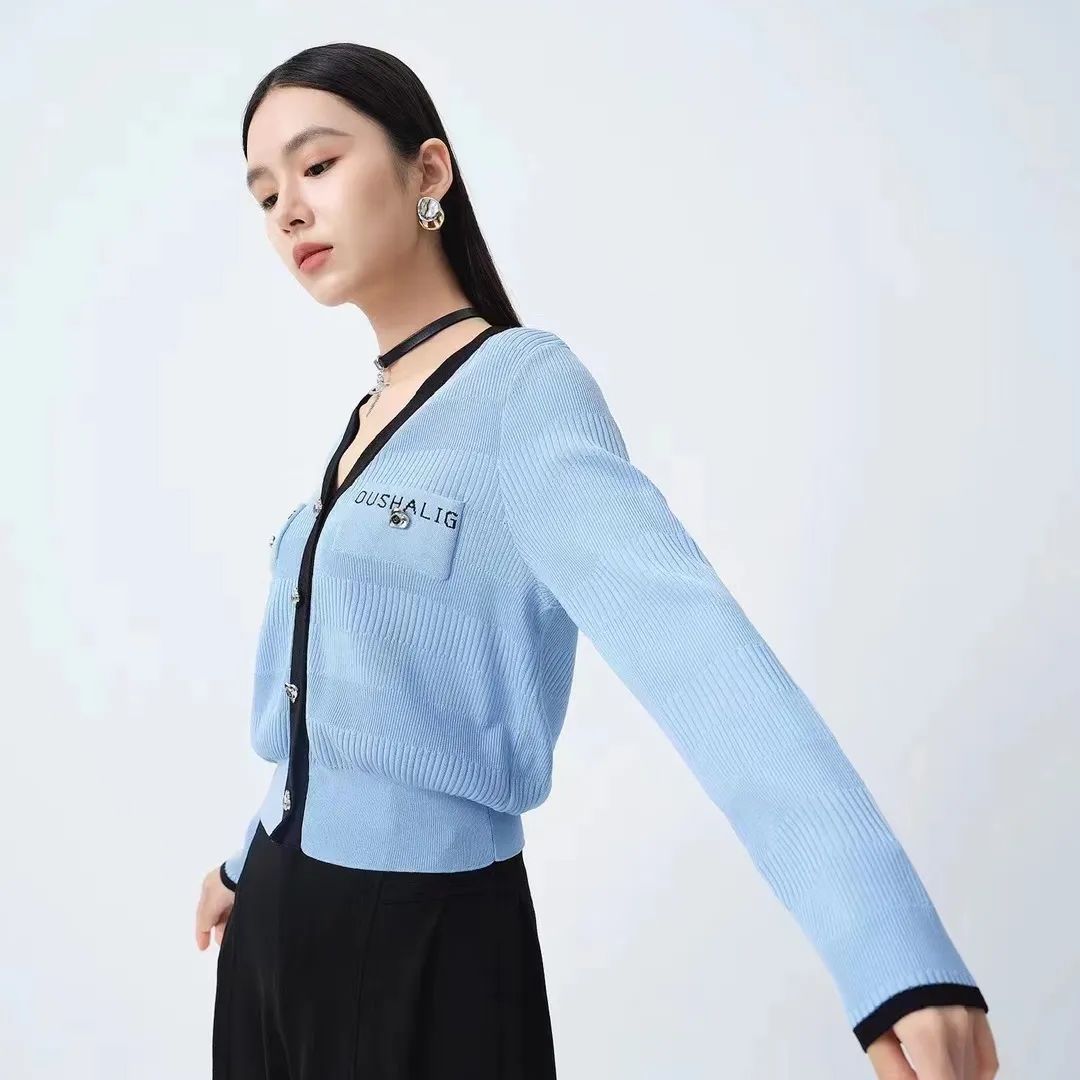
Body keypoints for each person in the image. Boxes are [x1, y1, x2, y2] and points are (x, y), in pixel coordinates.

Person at [193, 42, 998, 1080]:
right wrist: (246, 858)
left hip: (420, 947)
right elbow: (350, 706)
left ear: (427, 170)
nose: (289, 212)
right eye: (265, 195)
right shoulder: (365, 419)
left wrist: (893, 955)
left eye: (316, 165)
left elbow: (699, 656)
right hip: (271, 933)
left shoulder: (523, 396)